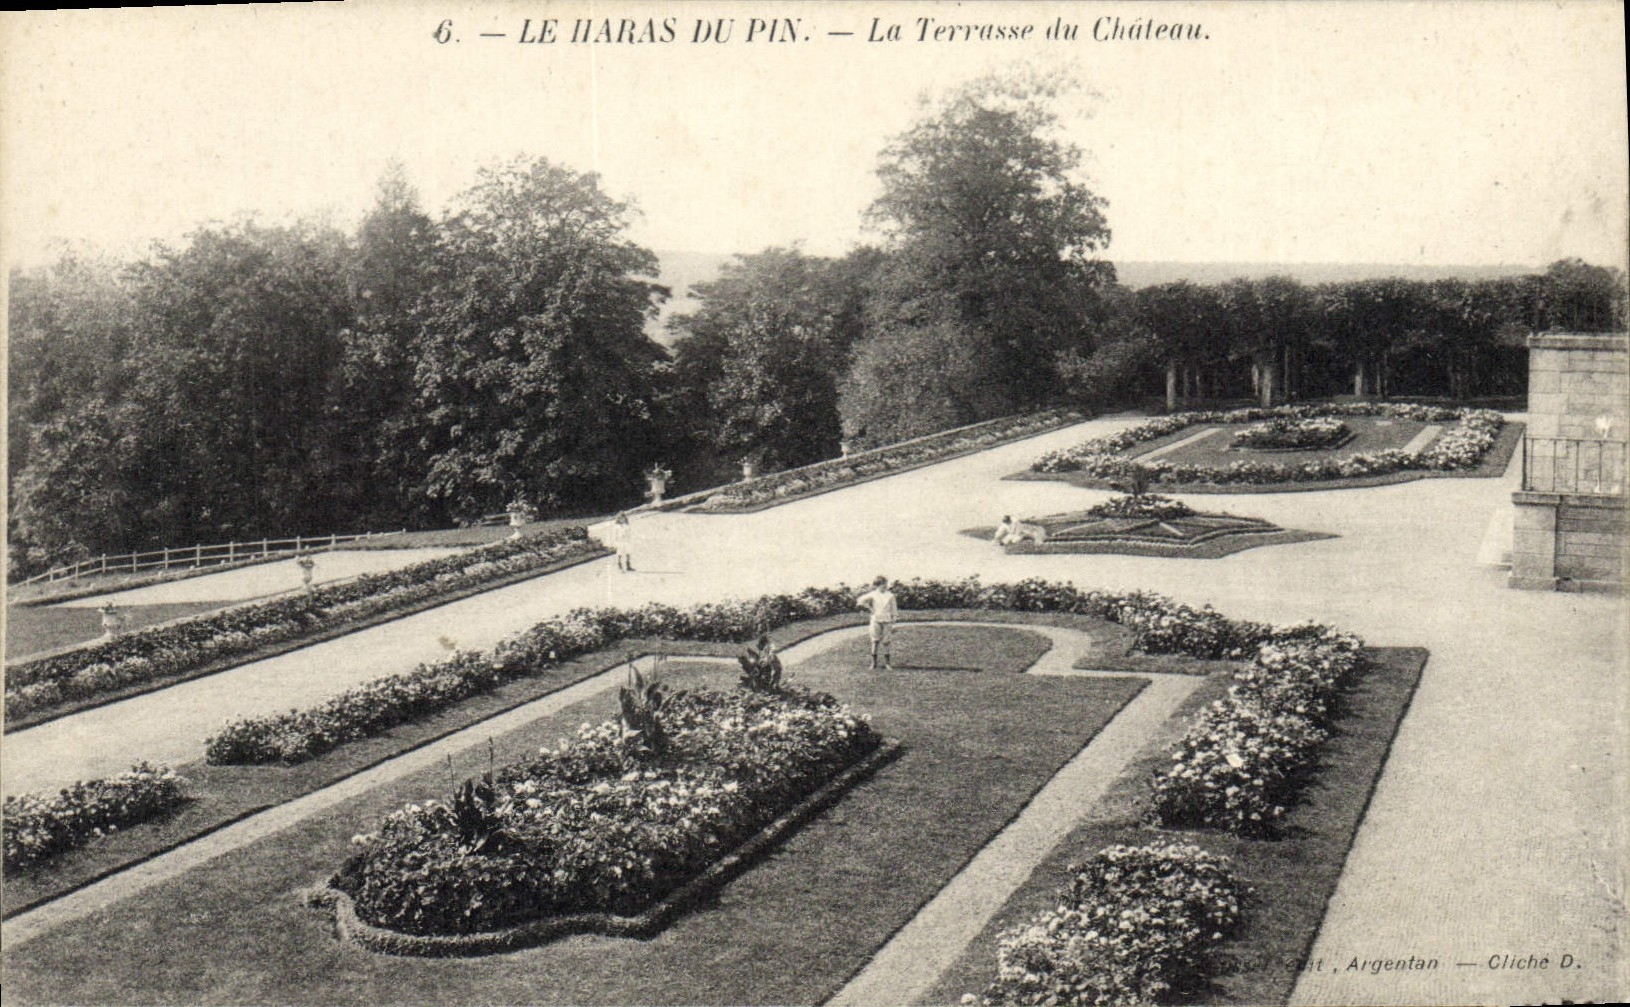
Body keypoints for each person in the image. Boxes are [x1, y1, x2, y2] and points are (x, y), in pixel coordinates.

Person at [856, 575, 899, 671]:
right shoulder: (873, 594)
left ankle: (887, 663)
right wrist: (869, 607)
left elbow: (894, 611)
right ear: (877, 585)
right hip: (875, 620)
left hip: (887, 621)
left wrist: (894, 623)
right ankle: (873, 663)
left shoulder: (890, 596)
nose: (884, 586)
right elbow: (860, 601)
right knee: (875, 641)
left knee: (886, 642)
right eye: (882, 584)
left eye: (885, 584)